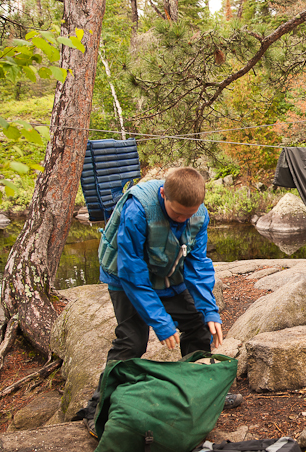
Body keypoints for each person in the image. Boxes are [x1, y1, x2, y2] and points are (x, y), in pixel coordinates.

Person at [97, 166, 241, 407]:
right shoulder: (138, 210)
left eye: (189, 215)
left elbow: (197, 262)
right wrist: (161, 322)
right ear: (163, 194)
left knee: (198, 324)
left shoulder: (200, 214)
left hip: (168, 268)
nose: (183, 220)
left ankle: (202, 392)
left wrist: (209, 309)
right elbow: (133, 272)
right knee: (132, 340)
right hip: (126, 275)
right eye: (177, 214)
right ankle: (99, 405)